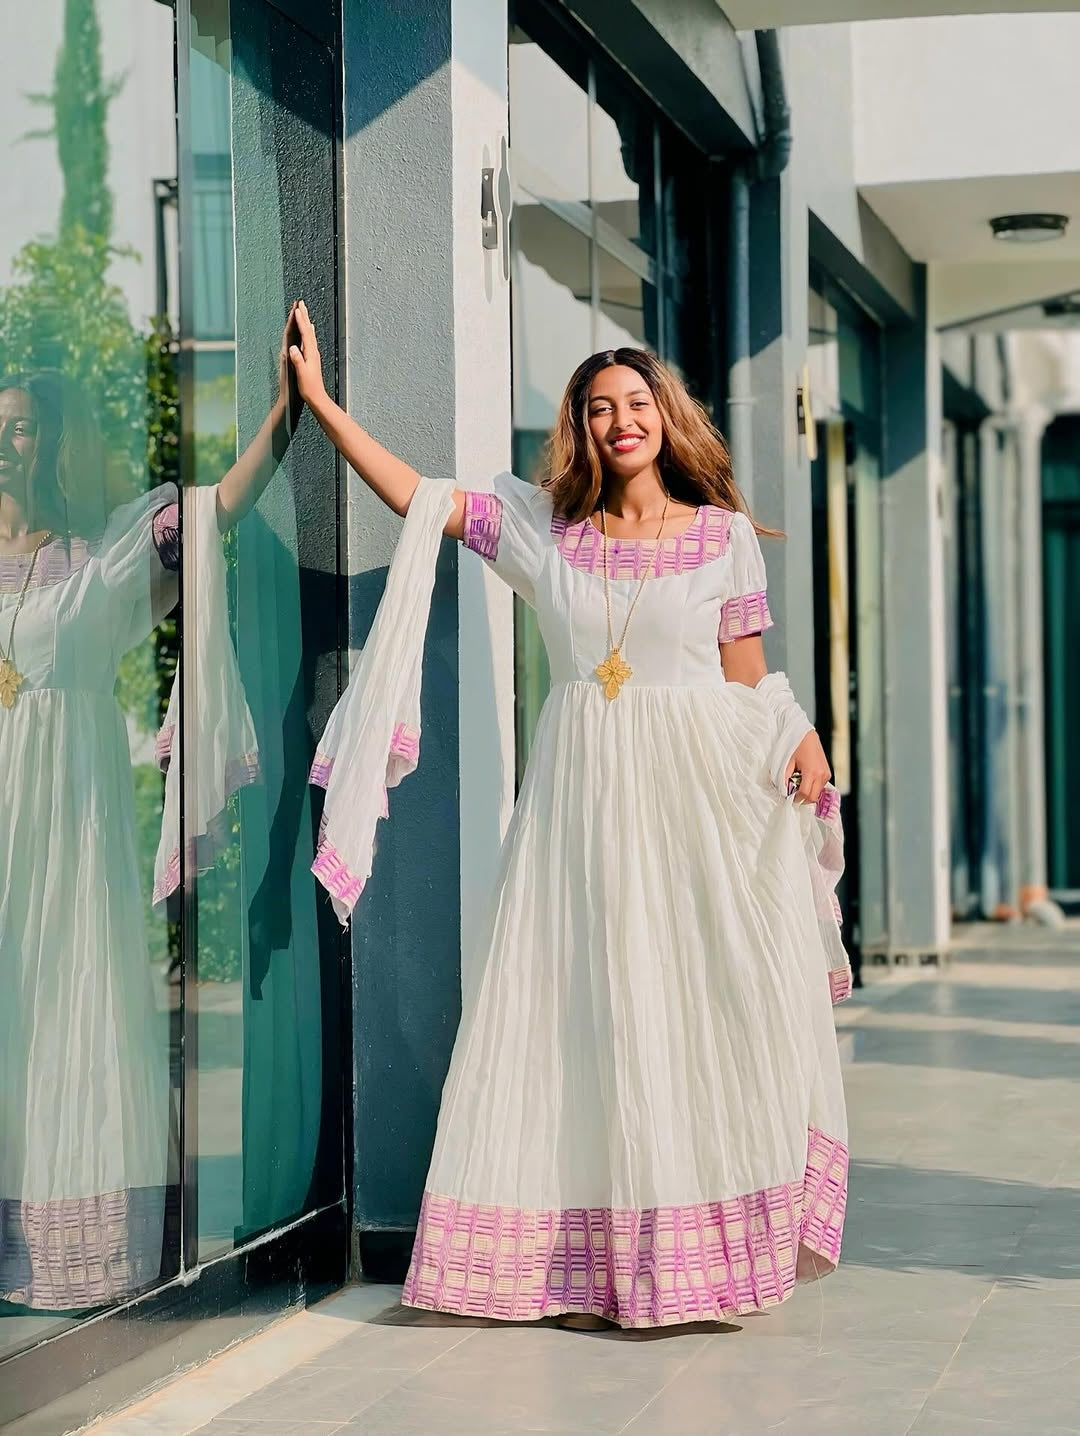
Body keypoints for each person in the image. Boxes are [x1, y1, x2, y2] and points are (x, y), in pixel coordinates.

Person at [288, 301, 851, 1329]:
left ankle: (691, 1263)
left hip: (696, 807)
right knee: (583, 1009)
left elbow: (748, 677)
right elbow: (421, 497)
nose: (620, 420)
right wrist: (322, 404)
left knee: (690, 1006)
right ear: (580, 427)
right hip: (581, 806)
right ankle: (581, 1269)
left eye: (636, 403)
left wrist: (800, 732)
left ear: (665, 417)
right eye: (599, 408)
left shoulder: (724, 538)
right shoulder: (545, 531)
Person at [0, 316, 297, 1316]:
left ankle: (72, 1252)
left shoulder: (104, 553)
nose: (8, 441)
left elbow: (212, 514)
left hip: (65, 817)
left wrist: (285, 415)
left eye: (25, 425)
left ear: (58, 439)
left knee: (64, 1001)